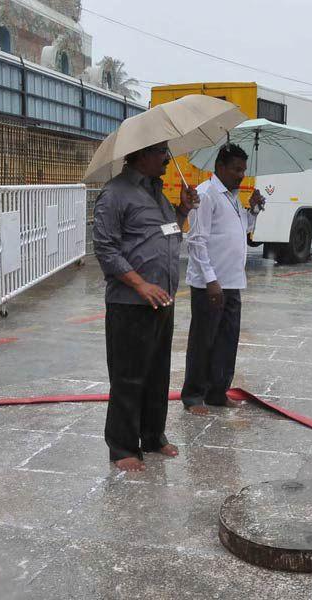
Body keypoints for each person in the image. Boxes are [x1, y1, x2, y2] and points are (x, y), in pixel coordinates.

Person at [92, 141, 198, 472]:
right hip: (130, 302)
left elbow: (168, 235)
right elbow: (105, 250)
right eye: (160, 152)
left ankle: (153, 436)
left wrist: (182, 211)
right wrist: (140, 283)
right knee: (128, 376)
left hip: (160, 300)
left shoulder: (157, 192)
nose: (167, 158)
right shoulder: (115, 193)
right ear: (140, 154)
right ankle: (122, 446)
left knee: (156, 374)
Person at [182, 143, 265, 415]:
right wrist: (210, 280)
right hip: (211, 284)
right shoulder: (207, 195)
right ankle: (193, 396)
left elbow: (243, 231)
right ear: (220, 168)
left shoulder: (231, 196)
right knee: (203, 341)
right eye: (236, 169)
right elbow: (196, 240)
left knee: (227, 341)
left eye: (243, 169)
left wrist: (252, 211)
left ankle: (218, 392)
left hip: (233, 281)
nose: (241, 175)